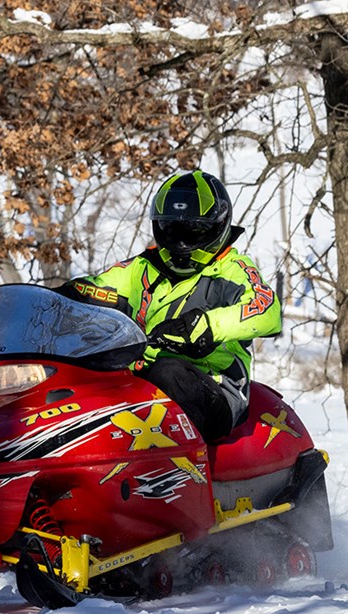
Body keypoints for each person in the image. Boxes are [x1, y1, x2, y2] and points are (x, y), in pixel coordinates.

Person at [57, 169, 281, 443]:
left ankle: (176, 478)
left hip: (216, 388)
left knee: (168, 372)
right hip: (142, 379)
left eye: (194, 230)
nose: (181, 242)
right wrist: (58, 299)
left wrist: (208, 326)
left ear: (217, 226)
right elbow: (93, 289)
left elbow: (268, 310)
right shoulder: (141, 268)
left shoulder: (232, 269)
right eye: (172, 229)